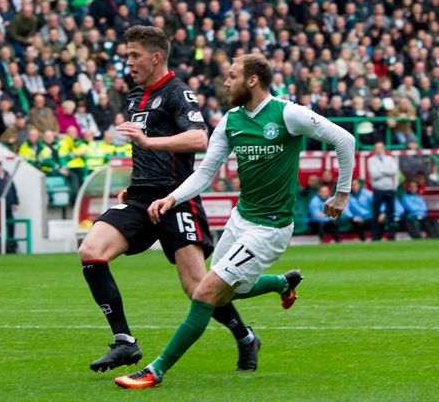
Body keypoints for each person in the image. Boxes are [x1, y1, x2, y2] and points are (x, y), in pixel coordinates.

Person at [115, 53, 355, 388]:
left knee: (204, 293)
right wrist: (171, 198)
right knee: (228, 294)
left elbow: (345, 139)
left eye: (232, 76)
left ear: (252, 80)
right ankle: (282, 283)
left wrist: (341, 193)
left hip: (269, 228)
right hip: (240, 219)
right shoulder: (231, 121)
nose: (226, 83)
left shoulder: (288, 113)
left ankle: (155, 370)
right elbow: (206, 174)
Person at [80, 26, 259, 375]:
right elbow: (145, 150)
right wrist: (133, 185)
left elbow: (198, 138)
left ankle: (245, 336)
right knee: (91, 251)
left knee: (197, 287)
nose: (128, 61)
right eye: (127, 54)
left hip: (175, 197)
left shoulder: (179, 93)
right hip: (140, 197)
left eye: (134, 55)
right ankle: (124, 342)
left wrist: (149, 143)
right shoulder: (135, 97)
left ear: (155, 57)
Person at [367, 141, 398, 241]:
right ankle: (376, 236)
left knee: (391, 213)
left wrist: (381, 171)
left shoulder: (390, 158)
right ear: (374, 149)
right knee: (375, 213)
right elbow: (373, 174)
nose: (379, 150)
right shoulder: (371, 160)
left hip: (389, 188)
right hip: (378, 189)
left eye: (380, 147)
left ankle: (391, 235)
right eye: (377, 148)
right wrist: (386, 171)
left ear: (384, 148)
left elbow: (394, 171)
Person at [0, 161, 19, 252]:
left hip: (8, 204)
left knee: (11, 223)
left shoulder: (7, 176)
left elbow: (13, 189)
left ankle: (11, 242)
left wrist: (16, 202)